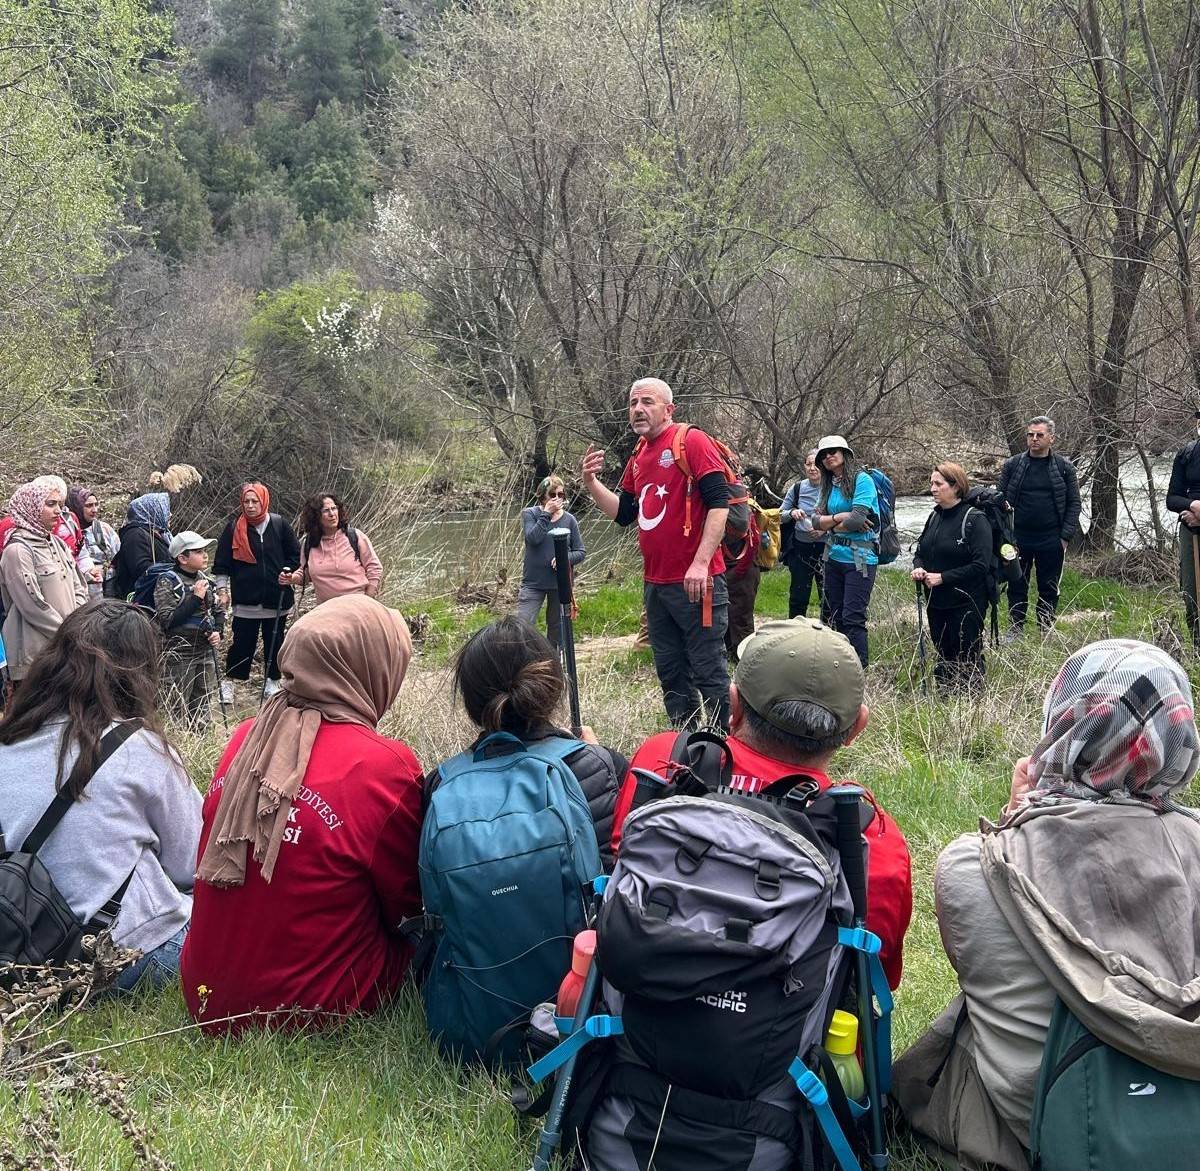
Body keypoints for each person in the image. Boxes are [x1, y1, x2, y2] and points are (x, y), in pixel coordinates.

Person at [893, 640, 1200, 1170]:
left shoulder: (971, 866)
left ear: (1060, 723)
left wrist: (1016, 818)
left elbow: (1006, 925)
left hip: (1048, 1130)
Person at [616, 617, 912, 989]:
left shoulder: (663, 760)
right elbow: (874, 975)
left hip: (631, 1022)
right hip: (788, 1040)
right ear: (856, 728)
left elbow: (617, 870)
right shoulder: (870, 836)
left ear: (734, 705)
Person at [180, 595, 422, 1033]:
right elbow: (408, 907)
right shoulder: (385, 767)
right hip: (311, 1008)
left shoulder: (245, 737)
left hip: (205, 995)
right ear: (370, 669)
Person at [0, 602, 203, 992]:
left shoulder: (9, 741)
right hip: (115, 956)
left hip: (19, 945)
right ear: (139, 673)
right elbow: (193, 863)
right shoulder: (140, 749)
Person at [581, 377, 731, 729]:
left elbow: (719, 504)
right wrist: (590, 483)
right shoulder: (639, 452)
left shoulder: (690, 440)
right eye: (633, 403)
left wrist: (700, 563)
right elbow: (624, 514)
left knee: (708, 668)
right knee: (671, 671)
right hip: (657, 584)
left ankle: (724, 745)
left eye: (647, 402)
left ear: (668, 409)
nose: (637, 409)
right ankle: (686, 743)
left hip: (698, 582)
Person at [430, 616, 625, 867]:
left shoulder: (440, 783)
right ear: (552, 688)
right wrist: (596, 755)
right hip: (591, 907)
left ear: (471, 703)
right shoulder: (598, 764)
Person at [212, 482, 300, 704]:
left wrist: (288, 574)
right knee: (242, 644)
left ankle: (273, 681)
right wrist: (222, 589)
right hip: (245, 600)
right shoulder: (233, 529)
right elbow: (221, 564)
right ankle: (230, 682)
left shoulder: (280, 525)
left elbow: (295, 556)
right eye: (246, 502)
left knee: (276, 643)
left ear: (264, 501)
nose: (250, 506)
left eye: (255, 501)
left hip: (276, 598)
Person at [998, 414, 1081, 637]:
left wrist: (1065, 537)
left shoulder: (1064, 468)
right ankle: (1015, 629)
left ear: (1051, 438)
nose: (1034, 439)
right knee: (1017, 584)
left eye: (1039, 435)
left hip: (1051, 538)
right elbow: (999, 501)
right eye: (1030, 435)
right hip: (1018, 539)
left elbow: (1074, 503)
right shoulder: (1012, 465)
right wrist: (1006, 537)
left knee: (1049, 586)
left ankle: (1045, 628)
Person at [911, 462, 992, 691]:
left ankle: (972, 703)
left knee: (967, 653)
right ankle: (946, 699)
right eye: (931, 483)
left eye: (939, 483)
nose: (933, 488)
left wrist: (943, 577)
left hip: (967, 601)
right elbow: (920, 552)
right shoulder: (934, 517)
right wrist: (919, 567)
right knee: (943, 651)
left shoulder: (975, 520)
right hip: (936, 600)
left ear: (956, 486)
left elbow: (981, 565)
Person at [0, 478, 88, 686]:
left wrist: (81, 623)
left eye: (59, 504)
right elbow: (33, 606)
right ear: (31, 506)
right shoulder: (18, 551)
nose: (58, 511)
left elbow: (79, 585)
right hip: (35, 657)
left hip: (68, 648)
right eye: (50, 504)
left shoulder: (56, 543)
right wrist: (68, 632)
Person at [811, 434, 879, 667]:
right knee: (832, 616)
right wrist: (840, 516)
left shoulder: (862, 481)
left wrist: (831, 523)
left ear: (845, 455)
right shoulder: (828, 485)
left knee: (853, 617)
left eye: (834, 452)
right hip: (833, 557)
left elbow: (857, 518)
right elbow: (814, 522)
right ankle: (835, 666)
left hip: (860, 558)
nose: (829, 457)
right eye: (824, 454)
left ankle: (859, 668)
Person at [154, 532, 226, 729]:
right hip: (179, 655)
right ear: (183, 558)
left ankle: (201, 743)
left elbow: (219, 610)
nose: (205, 555)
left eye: (204, 551)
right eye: (199, 551)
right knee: (175, 705)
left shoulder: (205, 580)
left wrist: (218, 631)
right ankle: (176, 747)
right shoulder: (167, 581)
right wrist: (195, 599)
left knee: (202, 701)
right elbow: (166, 620)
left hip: (205, 651)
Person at [516, 475, 585, 649]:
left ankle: (554, 662)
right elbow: (533, 539)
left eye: (561, 495)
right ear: (542, 497)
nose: (557, 499)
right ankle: (525, 661)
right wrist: (546, 514)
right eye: (552, 494)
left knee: (556, 628)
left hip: (559, 584)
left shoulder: (570, 520)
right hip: (533, 583)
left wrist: (565, 558)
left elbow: (580, 551)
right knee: (523, 626)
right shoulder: (530, 514)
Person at [289, 493, 383, 605]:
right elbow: (305, 574)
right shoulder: (309, 543)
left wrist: (368, 599)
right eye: (326, 511)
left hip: (358, 607)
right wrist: (292, 578)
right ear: (315, 516)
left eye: (334, 508)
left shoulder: (355, 537)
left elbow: (374, 568)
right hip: (327, 611)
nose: (332, 514)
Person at [780, 448, 828, 620]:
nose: (812, 468)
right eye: (808, 464)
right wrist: (792, 513)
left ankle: (829, 634)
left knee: (828, 597)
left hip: (827, 550)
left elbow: (843, 518)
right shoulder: (797, 488)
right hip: (801, 549)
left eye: (816, 464)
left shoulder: (833, 488)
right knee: (798, 597)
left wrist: (824, 528)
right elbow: (779, 515)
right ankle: (795, 632)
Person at [1167, 409, 1200, 646]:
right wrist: (1192, 505)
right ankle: (1198, 648)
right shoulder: (1186, 454)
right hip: (1191, 532)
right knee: (1192, 594)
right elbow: (1172, 499)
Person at [112, 492, 173, 600]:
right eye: (166, 510)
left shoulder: (161, 533)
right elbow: (141, 569)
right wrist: (173, 571)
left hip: (159, 595)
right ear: (152, 511)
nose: (170, 514)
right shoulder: (135, 535)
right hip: (141, 601)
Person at [68, 486, 120, 599]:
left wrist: (105, 570)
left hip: (106, 595)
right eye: (88, 506)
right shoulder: (66, 533)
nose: (94, 510)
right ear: (76, 507)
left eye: (96, 504)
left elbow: (119, 558)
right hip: (78, 597)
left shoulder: (104, 530)